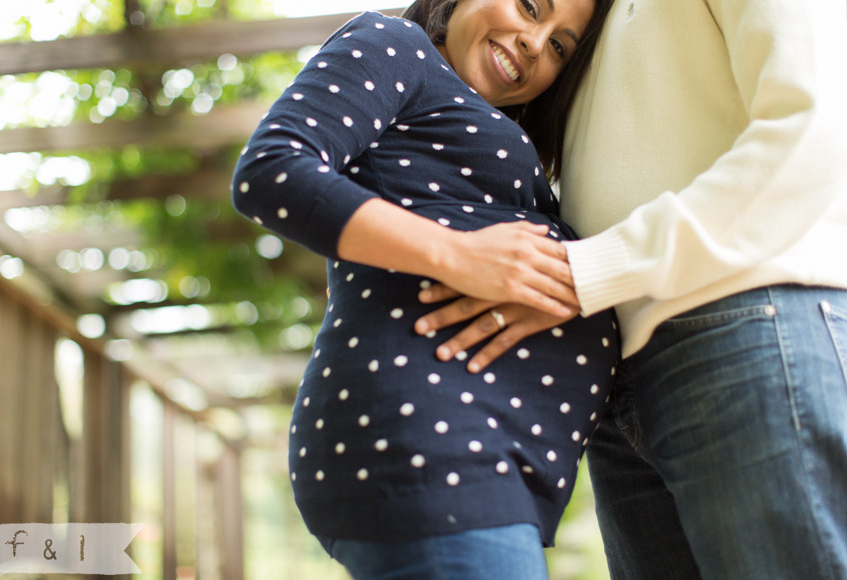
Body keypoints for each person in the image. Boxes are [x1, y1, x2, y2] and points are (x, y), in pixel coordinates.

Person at [414, 1, 847, 578]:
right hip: (618, 387)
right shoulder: (582, 18)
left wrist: (589, 269)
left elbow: (816, 129)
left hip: (746, 327)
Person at [231, 1, 617, 578]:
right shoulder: (398, 43)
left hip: (475, 460)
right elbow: (271, 170)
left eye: (561, 45)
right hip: (434, 445)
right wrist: (458, 254)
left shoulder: (487, 123)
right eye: (531, 5)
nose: (537, 43)